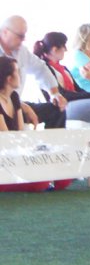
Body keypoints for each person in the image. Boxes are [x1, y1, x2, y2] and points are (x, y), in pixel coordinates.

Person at [0, 15, 67, 128]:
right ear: (5, 32)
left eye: (24, 36)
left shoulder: (22, 51)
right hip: (4, 106)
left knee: (57, 110)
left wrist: (54, 93)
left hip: (16, 103)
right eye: (20, 36)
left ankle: (53, 146)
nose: (23, 40)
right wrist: (22, 106)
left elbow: (40, 68)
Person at [0, 56, 52, 192]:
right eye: (17, 72)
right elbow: (6, 139)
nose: (21, 75)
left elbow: (20, 133)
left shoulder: (14, 97)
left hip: (14, 154)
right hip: (4, 158)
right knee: (42, 182)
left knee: (62, 177)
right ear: (8, 78)